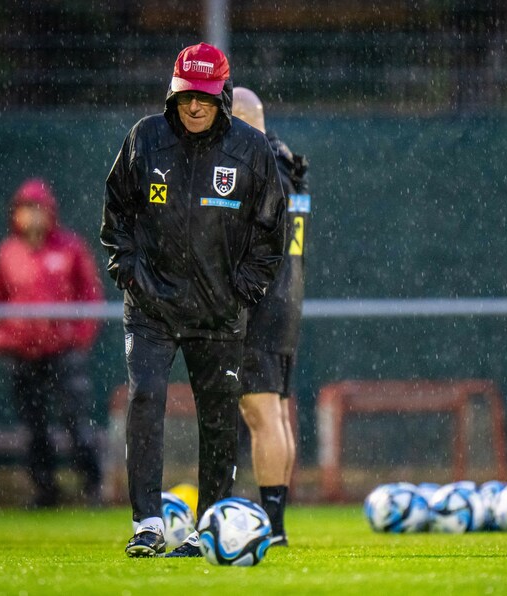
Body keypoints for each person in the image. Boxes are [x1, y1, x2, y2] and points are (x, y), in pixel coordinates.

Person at [100, 42, 285, 558]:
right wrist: (132, 275)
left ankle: (209, 524)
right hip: (151, 309)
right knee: (145, 399)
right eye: (186, 98)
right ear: (172, 96)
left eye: (205, 98)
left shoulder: (252, 150)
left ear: (223, 96)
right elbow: (116, 215)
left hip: (220, 313)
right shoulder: (144, 139)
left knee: (219, 419)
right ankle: (147, 524)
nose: (196, 107)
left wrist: (241, 291)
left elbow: (272, 233)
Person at [0, 177, 104, 508]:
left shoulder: (70, 247)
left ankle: (92, 488)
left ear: (50, 211)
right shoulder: (7, 253)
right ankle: (45, 492)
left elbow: (91, 294)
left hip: (64, 354)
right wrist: (4, 337)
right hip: (23, 355)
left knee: (75, 422)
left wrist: (79, 335)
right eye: (25, 209)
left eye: (37, 208)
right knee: (34, 427)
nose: (32, 216)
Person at [233, 87, 310, 547]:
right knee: (277, 414)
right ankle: (276, 523)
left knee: (261, 414)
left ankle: (273, 525)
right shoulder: (288, 163)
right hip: (289, 302)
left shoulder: (258, 167)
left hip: (261, 304)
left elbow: (257, 242)